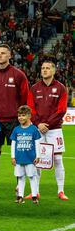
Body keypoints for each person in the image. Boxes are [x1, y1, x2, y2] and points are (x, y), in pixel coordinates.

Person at [0, 44, 29, 194]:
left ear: (10, 55)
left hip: (15, 121)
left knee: (18, 154)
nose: (0, 56)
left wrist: (22, 117)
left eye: (3, 53)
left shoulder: (19, 75)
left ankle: (19, 187)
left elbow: (24, 98)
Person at [27, 60, 69, 200]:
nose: (44, 70)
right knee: (37, 160)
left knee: (57, 159)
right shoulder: (34, 88)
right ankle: (35, 191)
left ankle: (61, 191)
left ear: (53, 71)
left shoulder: (61, 88)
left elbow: (62, 110)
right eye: (42, 68)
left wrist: (48, 125)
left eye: (47, 68)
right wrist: (38, 124)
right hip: (37, 129)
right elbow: (30, 109)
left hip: (54, 129)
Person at [10, 105, 41, 204]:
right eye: (19, 115)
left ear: (29, 116)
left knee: (32, 177)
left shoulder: (34, 129)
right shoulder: (16, 129)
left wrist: (38, 156)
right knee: (20, 177)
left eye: (23, 115)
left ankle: (34, 196)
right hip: (19, 158)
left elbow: (37, 143)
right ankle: (20, 196)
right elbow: (13, 144)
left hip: (30, 158)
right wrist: (13, 157)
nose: (20, 118)